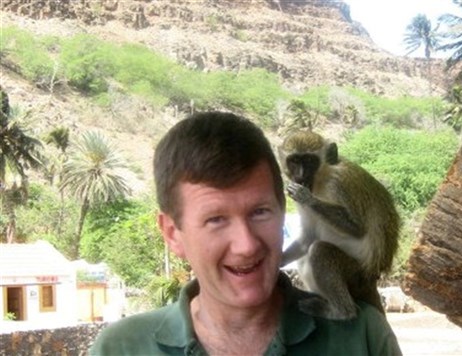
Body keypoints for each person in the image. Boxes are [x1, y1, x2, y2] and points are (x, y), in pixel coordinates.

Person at [89, 111, 402, 355]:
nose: (247, 246)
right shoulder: (121, 348)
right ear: (172, 234)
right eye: (216, 220)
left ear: (281, 210)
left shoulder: (363, 337)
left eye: (259, 212)